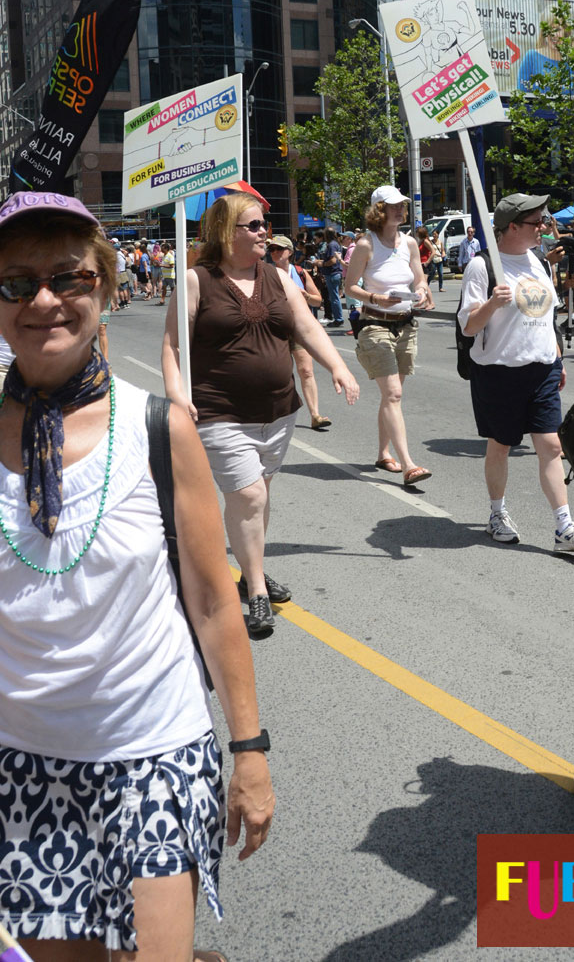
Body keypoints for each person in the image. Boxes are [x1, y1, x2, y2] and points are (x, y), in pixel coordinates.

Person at [0, 190, 274, 960]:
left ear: (106, 288)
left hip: (152, 749)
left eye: (68, 278)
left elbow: (217, 603)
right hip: (20, 763)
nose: (44, 301)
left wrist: (249, 750)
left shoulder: (161, 428)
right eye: (17, 284)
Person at [162, 194, 359, 636]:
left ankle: (252, 569)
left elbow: (307, 326)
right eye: (252, 225)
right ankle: (255, 592)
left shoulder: (276, 275)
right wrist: (177, 396)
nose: (262, 232)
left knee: (257, 498)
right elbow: (174, 347)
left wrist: (339, 367)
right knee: (249, 496)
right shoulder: (197, 280)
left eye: (262, 224)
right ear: (225, 232)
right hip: (219, 412)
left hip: (278, 411)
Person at [458, 193, 574, 552]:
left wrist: (557, 359)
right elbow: (469, 327)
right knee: (500, 446)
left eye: (544, 220)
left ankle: (563, 525)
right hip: (499, 373)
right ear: (512, 226)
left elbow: (545, 319)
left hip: (541, 369)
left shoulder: (539, 263)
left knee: (550, 445)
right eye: (537, 222)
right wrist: (491, 304)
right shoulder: (483, 267)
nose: (545, 227)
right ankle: (497, 513)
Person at [344, 185, 432, 486]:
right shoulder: (366, 245)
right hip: (374, 324)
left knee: (391, 395)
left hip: (405, 324)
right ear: (378, 210)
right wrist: (375, 298)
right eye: (393, 205)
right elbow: (349, 286)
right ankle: (409, 464)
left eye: (402, 205)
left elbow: (419, 277)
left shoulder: (408, 243)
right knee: (393, 394)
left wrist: (422, 290)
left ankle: (383, 453)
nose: (400, 210)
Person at [267, 236, 332, 432]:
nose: (275, 252)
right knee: (279, 374)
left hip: (298, 328)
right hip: (274, 329)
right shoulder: (264, 273)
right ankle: (274, 414)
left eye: (280, 248)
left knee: (306, 370)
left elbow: (318, 301)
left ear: (290, 251)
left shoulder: (300, 272)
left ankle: (315, 415)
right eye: (272, 249)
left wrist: (305, 296)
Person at [319, 226, 344, 328]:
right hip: (334, 274)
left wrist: (322, 264)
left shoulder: (332, 245)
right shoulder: (336, 244)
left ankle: (338, 319)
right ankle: (337, 318)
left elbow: (333, 261)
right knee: (334, 297)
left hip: (332, 274)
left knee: (334, 298)